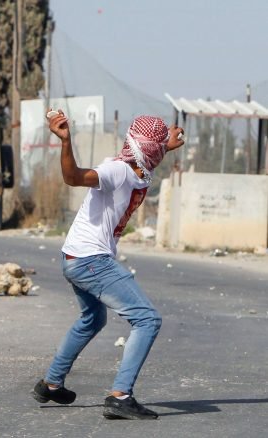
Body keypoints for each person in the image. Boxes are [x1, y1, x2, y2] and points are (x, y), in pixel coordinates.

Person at [31, 110, 184, 420]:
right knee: (147, 319)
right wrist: (65, 141)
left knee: (92, 319)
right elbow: (73, 177)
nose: (160, 152)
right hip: (91, 260)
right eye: (158, 147)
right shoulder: (117, 170)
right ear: (148, 149)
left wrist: (165, 146)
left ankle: (51, 384)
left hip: (75, 258)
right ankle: (120, 396)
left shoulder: (138, 168)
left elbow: (148, 157)